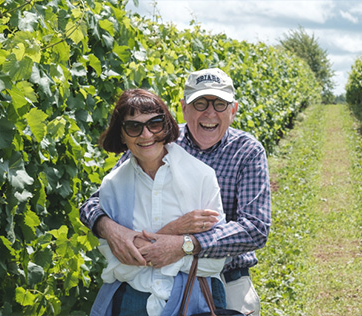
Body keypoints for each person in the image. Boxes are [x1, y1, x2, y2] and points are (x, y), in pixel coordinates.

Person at [80, 68, 271, 316]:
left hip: (225, 275)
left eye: (220, 104)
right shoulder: (155, 138)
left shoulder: (247, 152)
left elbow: (255, 228)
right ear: (184, 108)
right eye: (200, 103)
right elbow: (98, 201)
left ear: (233, 110)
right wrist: (109, 228)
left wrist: (185, 244)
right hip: (150, 278)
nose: (210, 113)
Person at [89, 89, 226, 316]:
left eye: (155, 123)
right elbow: (118, 266)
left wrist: (149, 249)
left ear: (167, 126)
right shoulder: (113, 186)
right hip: (131, 304)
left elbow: (215, 262)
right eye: (134, 127)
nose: (146, 135)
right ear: (122, 135)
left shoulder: (201, 176)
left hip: (192, 301)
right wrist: (175, 233)